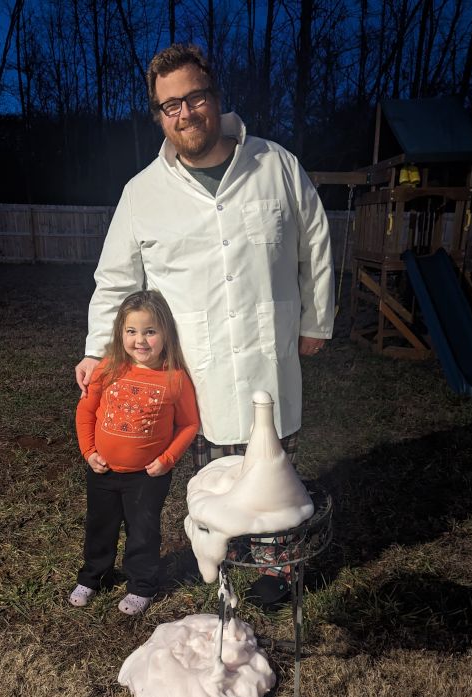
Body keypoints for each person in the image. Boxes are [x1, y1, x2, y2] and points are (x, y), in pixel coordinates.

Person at [75, 43, 334, 594]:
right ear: (159, 115)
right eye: (171, 105)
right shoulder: (143, 193)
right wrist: (99, 350)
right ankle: (222, 560)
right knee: (212, 469)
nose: (185, 112)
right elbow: (116, 278)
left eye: (195, 97)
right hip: (196, 360)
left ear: (215, 97)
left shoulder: (276, 165)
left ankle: (274, 567)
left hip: (267, 347)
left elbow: (315, 244)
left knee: (273, 456)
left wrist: (316, 320)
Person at [70, 290, 199, 615]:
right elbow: (85, 412)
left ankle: (142, 585)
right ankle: (93, 576)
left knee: (143, 531)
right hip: (102, 470)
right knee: (101, 525)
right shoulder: (108, 368)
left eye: (150, 331)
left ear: (166, 334)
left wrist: (167, 459)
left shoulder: (175, 379)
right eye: (131, 331)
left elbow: (189, 425)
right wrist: (88, 451)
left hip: (147, 476)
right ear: (120, 333)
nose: (140, 340)